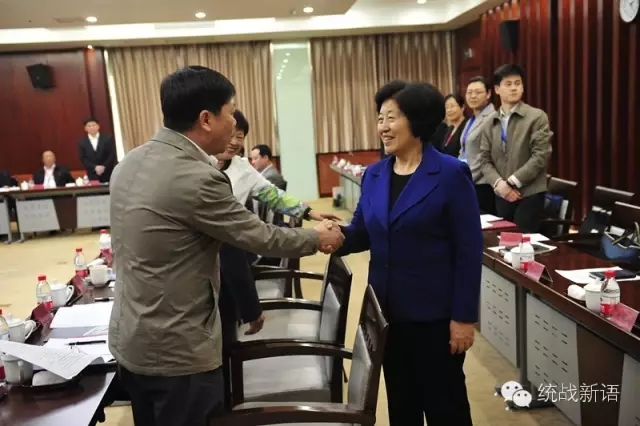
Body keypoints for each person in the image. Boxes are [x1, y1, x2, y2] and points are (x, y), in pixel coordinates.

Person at [108, 65, 344, 426]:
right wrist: (318, 237)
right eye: (230, 113)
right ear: (206, 119)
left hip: (132, 341)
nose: (235, 123)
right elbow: (258, 236)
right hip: (178, 352)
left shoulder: (129, 163)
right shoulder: (198, 177)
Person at [335, 80, 483, 426]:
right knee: (402, 406)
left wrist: (464, 318)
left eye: (391, 117)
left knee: (446, 406)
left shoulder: (450, 173)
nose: (383, 127)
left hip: (435, 319)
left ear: (417, 120)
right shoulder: (374, 175)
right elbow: (361, 232)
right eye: (380, 118)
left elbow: (468, 250)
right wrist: (323, 237)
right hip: (387, 315)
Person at [479, 64, 553, 232]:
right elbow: (484, 159)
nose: (514, 88)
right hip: (501, 193)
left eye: (518, 83)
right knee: (502, 240)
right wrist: (499, 184)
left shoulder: (536, 116)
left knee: (523, 241)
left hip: (529, 193)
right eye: (508, 84)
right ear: (497, 89)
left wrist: (511, 182)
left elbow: (540, 156)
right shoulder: (490, 122)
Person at [460, 76, 497, 214]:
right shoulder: (471, 119)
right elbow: (464, 150)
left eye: (478, 92)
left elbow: (487, 154)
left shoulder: (492, 117)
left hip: (482, 183)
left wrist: (466, 178)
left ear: (488, 94)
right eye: (469, 92)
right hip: (468, 180)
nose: (473, 96)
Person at [78, 117, 117, 183]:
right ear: (85, 128)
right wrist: (94, 167)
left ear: (98, 126)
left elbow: (112, 154)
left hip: (108, 172)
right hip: (92, 173)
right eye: (89, 126)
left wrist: (104, 166)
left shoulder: (108, 139)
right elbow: (83, 158)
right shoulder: (82, 142)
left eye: (93, 125)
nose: (92, 127)